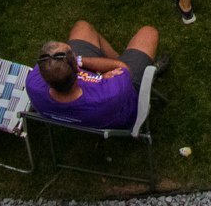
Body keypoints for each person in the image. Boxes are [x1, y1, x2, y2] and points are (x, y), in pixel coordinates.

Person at [27, 21, 159, 130]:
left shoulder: (33, 84)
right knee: (149, 32)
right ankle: (125, 57)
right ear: (77, 69)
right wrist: (88, 66)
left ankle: (116, 58)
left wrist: (82, 65)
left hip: (87, 114)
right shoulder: (113, 92)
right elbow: (123, 68)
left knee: (82, 27)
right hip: (122, 109)